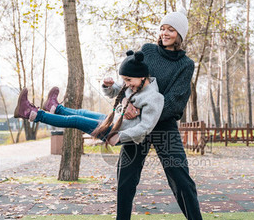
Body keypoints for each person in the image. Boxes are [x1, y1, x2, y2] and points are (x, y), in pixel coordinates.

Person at [105, 10, 217, 220]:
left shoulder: (185, 65)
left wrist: (144, 112)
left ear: (180, 35)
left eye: (171, 30)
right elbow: (129, 79)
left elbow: (176, 102)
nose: (164, 33)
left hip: (163, 126)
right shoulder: (147, 50)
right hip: (136, 124)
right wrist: (127, 103)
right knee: (126, 179)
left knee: (181, 179)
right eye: (162, 28)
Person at [13, 50, 164, 147]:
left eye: (129, 80)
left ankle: (31, 113)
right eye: (124, 80)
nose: (126, 84)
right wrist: (108, 86)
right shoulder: (134, 85)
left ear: (142, 76)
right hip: (112, 120)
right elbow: (115, 92)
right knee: (82, 113)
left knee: (76, 121)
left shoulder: (154, 98)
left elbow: (146, 127)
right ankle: (55, 107)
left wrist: (120, 136)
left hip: (116, 131)